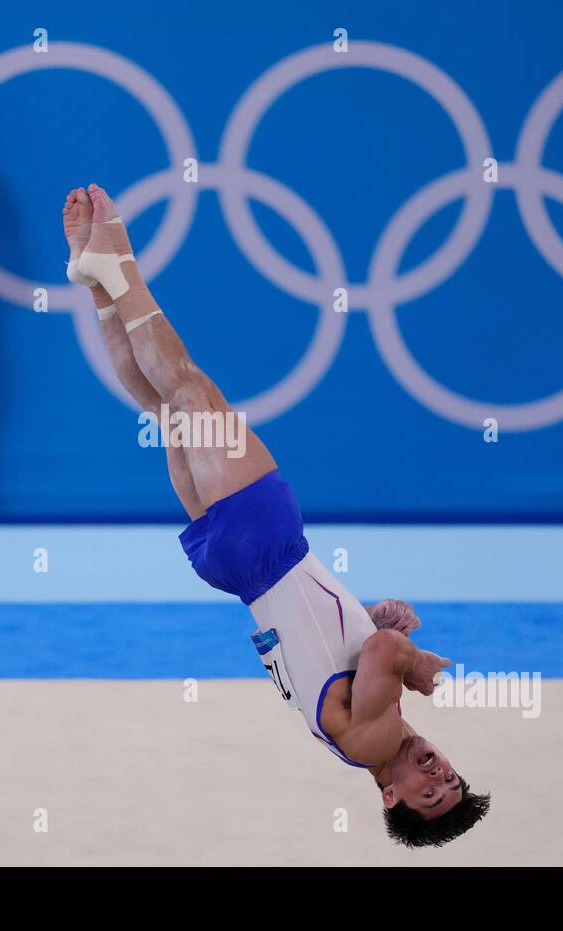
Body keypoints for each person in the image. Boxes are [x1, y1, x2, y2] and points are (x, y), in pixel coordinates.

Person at [63, 184, 490, 848]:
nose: (437, 771)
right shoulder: (360, 737)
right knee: (164, 408)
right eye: (452, 779)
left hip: (267, 545)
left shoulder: (378, 737)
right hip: (236, 569)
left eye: (428, 793)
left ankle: (117, 271)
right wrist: (374, 623)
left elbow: (381, 653)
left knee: (188, 386)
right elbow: (343, 647)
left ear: (390, 796)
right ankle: (97, 287)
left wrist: (417, 662)